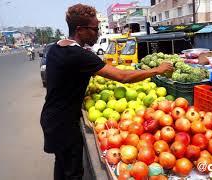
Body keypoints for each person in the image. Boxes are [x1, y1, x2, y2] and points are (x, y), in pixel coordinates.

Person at [40, 4, 173, 180]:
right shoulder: (79, 55)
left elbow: (64, 80)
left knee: (62, 165)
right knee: (73, 172)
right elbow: (122, 76)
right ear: (80, 30)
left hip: (52, 118)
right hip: (64, 124)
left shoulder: (57, 48)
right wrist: (158, 69)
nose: (98, 33)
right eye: (95, 29)